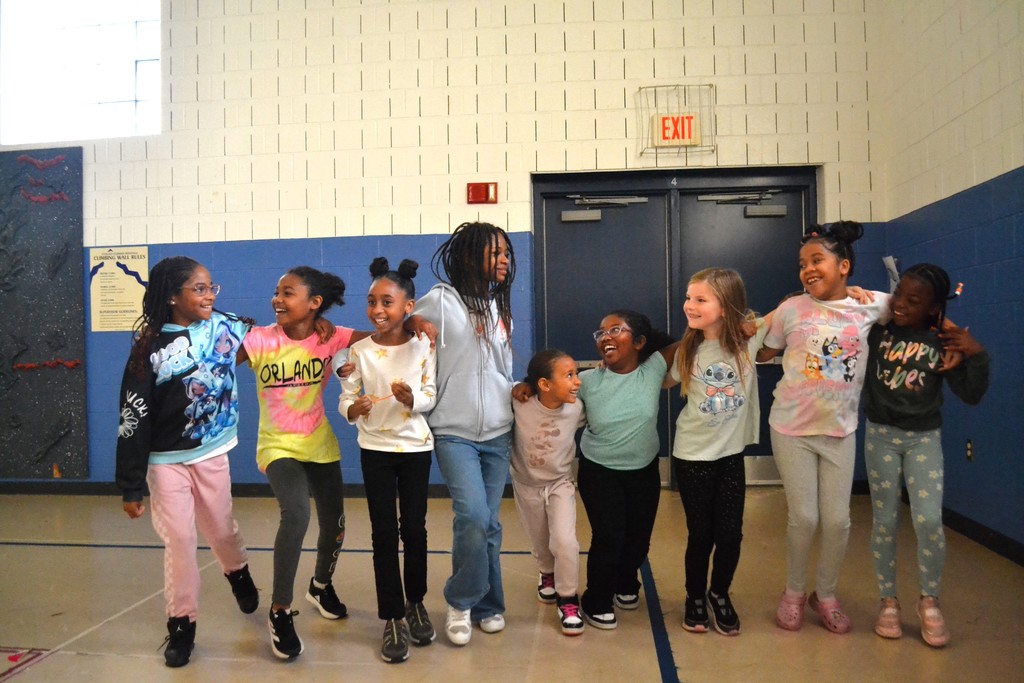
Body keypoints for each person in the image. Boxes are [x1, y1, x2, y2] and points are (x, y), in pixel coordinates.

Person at [115, 256, 259, 668]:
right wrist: (130, 483)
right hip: (165, 461)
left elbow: (271, 341)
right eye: (199, 288)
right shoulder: (149, 348)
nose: (209, 294)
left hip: (211, 451)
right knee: (179, 540)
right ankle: (182, 625)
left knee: (220, 527)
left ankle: (237, 571)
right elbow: (133, 413)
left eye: (212, 287)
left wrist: (316, 328)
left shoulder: (223, 326)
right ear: (173, 297)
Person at [757, 221, 891, 634]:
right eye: (802, 264)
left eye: (817, 260)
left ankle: (826, 594)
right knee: (805, 518)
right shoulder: (793, 308)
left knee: (837, 521)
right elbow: (764, 352)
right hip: (791, 428)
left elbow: (919, 305)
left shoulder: (870, 304)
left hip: (840, 430)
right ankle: (794, 593)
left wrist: (955, 337)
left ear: (844, 266)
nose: (808, 269)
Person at [862, 264, 989, 647]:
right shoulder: (878, 331)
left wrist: (976, 354)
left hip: (923, 440)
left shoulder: (941, 341)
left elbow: (971, 394)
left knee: (929, 520)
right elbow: (851, 312)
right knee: (884, 520)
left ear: (934, 309)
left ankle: (929, 600)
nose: (900, 303)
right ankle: (888, 601)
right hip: (880, 436)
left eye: (913, 301)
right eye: (899, 293)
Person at [238, 265, 358, 660]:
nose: (277, 299)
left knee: (335, 526)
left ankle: (321, 586)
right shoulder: (259, 341)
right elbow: (213, 361)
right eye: (277, 292)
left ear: (314, 304)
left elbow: (387, 335)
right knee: (297, 515)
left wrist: (418, 320)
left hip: (319, 443)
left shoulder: (333, 337)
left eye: (288, 293)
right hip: (277, 446)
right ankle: (280, 610)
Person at [405, 221, 516, 646]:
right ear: (471, 256)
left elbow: (501, 369)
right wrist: (414, 320)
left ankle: (489, 605)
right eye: (495, 253)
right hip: (454, 431)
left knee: (488, 524)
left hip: (499, 432)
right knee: (471, 517)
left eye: (507, 252)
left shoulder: (497, 308)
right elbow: (402, 321)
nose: (504, 259)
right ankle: (461, 600)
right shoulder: (440, 300)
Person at [338, 257, 438, 663]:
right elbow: (345, 397)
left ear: (408, 308)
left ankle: (415, 602)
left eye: (387, 303)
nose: (377, 310)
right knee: (383, 535)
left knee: (414, 529)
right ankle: (392, 615)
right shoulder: (358, 351)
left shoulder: (423, 346)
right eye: (371, 302)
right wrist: (354, 408)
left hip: (415, 449)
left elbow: (431, 393)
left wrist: (413, 400)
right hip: (375, 451)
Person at [664, 268, 772, 636]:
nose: (689, 305)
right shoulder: (688, 351)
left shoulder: (748, 340)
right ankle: (694, 597)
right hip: (692, 455)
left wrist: (848, 291)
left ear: (726, 307)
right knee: (701, 534)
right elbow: (654, 380)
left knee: (730, 533)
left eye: (700, 299)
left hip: (729, 456)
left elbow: (791, 309)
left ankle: (719, 593)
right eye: (689, 297)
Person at [574, 310, 677, 630]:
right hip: (598, 469)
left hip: (643, 469)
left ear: (639, 341)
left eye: (616, 330)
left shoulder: (653, 369)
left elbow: (690, 342)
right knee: (609, 535)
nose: (605, 336)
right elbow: (549, 396)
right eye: (600, 333)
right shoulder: (588, 381)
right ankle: (597, 598)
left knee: (638, 537)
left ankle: (625, 581)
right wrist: (527, 389)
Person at [510, 349, 587, 636]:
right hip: (526, 483)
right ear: (543, 384)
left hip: (560, 483)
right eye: (569, 376)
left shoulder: (577, 408)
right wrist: (520, 384)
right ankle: (547, 573)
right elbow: (506, 387)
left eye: (576, 374)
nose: (577, 381)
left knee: (565, 541)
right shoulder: (521, 403)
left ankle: (568, 598)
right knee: (540, 540)